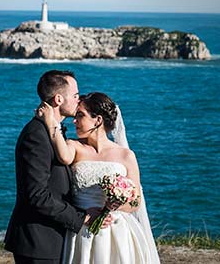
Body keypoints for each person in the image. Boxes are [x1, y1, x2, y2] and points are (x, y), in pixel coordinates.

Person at [38, 92, 160, 264]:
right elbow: (64, 157)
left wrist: (113, 206)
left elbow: (136, 201)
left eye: (80, 116)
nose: (74, 121)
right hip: (83, 228)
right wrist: (51, 122)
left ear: (98, 120)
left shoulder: (126, 155)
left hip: (118, 231)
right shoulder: (74, 146)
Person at [5, 70, 104, 264]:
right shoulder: (37, 135)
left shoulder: (52, 131)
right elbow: (37, 195)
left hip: (54, 240)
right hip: (39, 242)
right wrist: (80, 218)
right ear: (58, 99)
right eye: (75, 96)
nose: (79, 100)